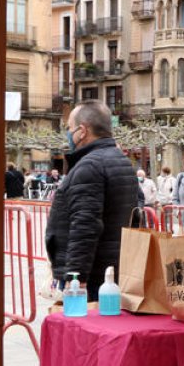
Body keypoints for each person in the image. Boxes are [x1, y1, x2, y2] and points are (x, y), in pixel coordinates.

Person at [45, 101, 139, 301]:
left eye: (69, 128)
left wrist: (76, 276)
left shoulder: (89, 166)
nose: (68, 134)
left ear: (82, 131)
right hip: (114, 269)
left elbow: (85, 224)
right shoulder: (122, 161)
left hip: (93, 274)